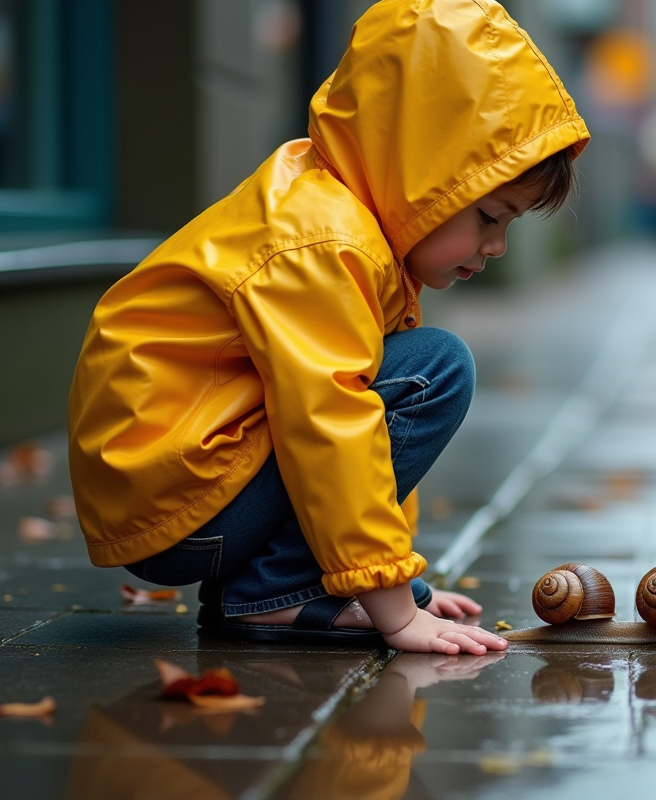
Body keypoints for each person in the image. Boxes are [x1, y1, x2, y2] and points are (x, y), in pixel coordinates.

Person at [66, 0, 589, 654]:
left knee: (411, 368)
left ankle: (289, 586)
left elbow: (361, 440)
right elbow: (330, 424)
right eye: (488, 216)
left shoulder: (337, 210)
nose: (496, 246)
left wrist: (401, 585)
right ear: (423, 170)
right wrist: (395, 612)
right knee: (437, 367)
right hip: (182, 505)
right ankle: (272, 595)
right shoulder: (326, 242)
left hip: (179, 481)